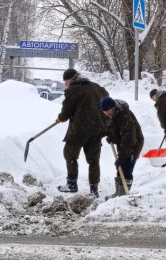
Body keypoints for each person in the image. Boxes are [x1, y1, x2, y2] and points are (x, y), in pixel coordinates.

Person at [56, 68, 108, 197]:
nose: (65, 84)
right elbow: (107, 100)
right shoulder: (96, 87)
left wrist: (61, 118)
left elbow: (67, 111)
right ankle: (94, 189)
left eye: (65, 81)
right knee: (94, 160)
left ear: (70, 79)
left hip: (79, 130)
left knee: (70, 155)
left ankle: (72, 184)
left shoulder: (73, 90)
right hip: (97, 129)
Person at [100, 97, 144, 197]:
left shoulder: (124, 116)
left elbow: (129, 138)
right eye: (104, 112)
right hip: (124, 144)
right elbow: (117, 130)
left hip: (134, 144)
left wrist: (123, 157)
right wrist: (111, 137)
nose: (107, 113)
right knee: (121, 168)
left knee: (127, 169)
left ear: (113, 107)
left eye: (108, 111)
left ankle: (123, 196)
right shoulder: (114, 114)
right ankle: (118, 194)